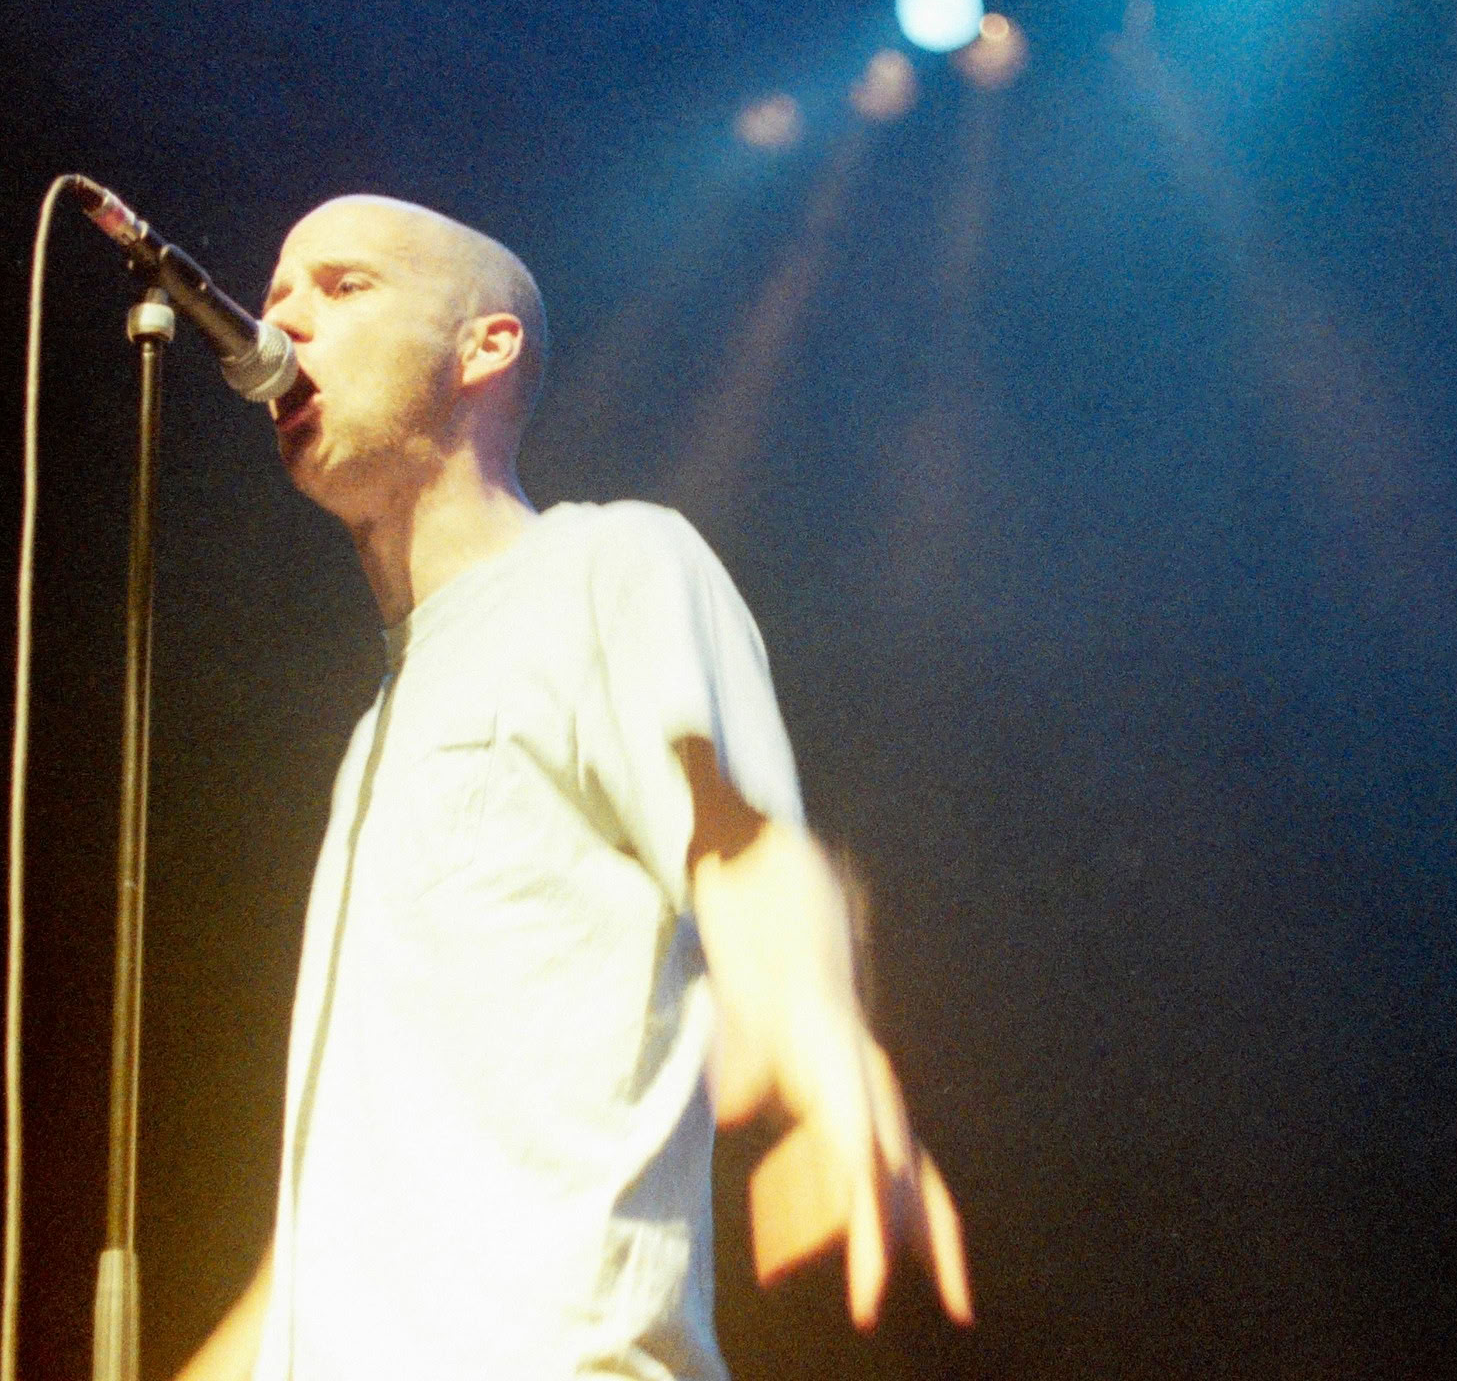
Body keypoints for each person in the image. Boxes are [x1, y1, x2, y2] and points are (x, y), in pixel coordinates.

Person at [174, 195, 969, 1381]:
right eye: (279, 287)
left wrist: (830, 1050)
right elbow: (322, 1249)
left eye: (342, 287)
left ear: (481, 349)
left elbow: (743, 852)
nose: (280, 313)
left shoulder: (613, 563)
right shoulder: (375, 740)